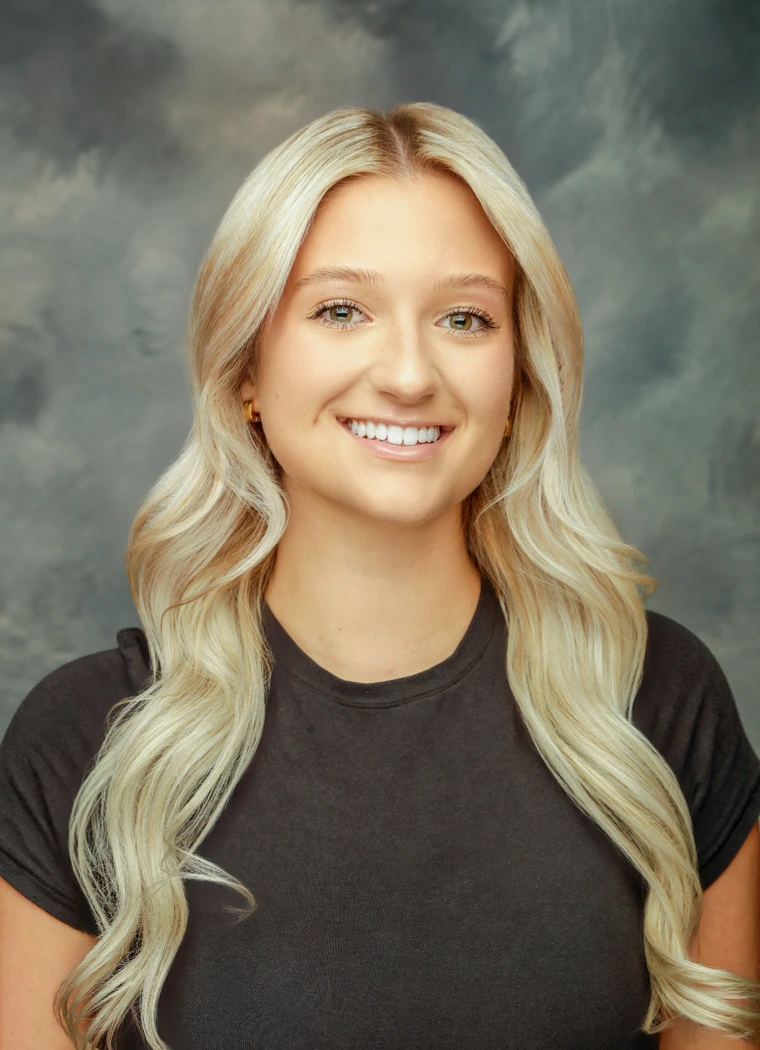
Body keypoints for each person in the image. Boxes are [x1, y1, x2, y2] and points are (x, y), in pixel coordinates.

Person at [0, 102, 759, 1050]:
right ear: (245, 367)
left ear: (518, 371)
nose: (408, 373)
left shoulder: (655, 705)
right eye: (341, 310)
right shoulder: (85, 745)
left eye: (464, 317)